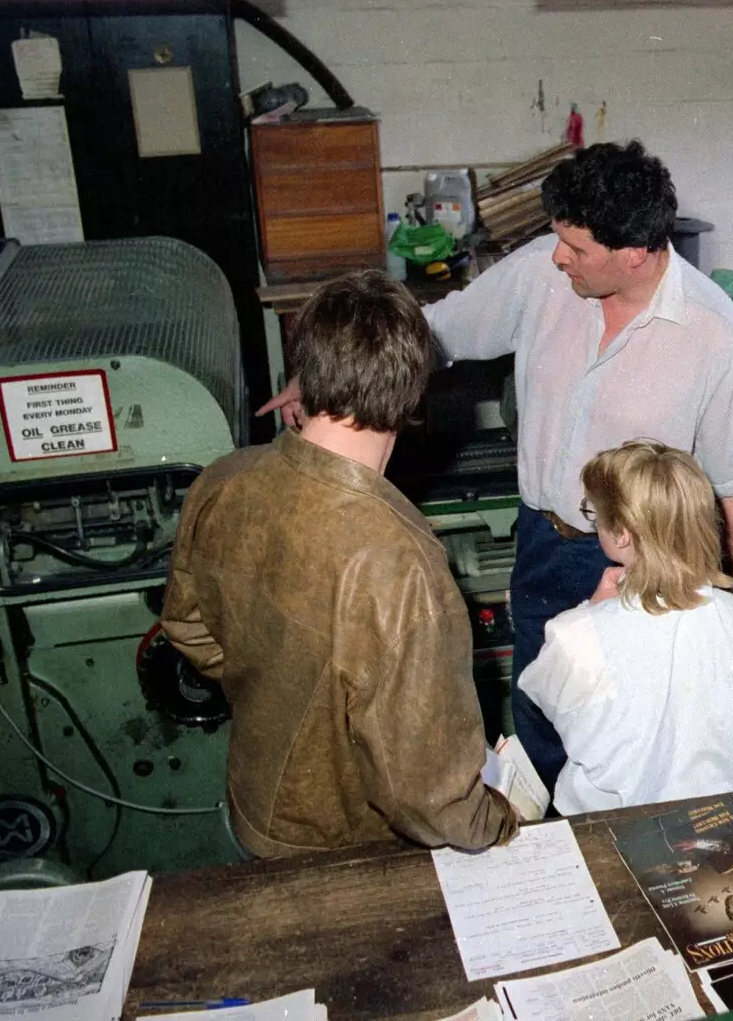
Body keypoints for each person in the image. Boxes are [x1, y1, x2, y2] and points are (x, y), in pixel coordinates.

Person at [259, 141, 733, 788]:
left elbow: (730, 484)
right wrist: (329, 382)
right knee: (537, 712)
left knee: (624, 740)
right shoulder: (540, 276)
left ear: (635, 252)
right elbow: (433, 331)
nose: (558, 258)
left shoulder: (713, 334)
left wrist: (719, 602)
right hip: (541, 542)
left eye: (576, 249)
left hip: (642, 565)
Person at [163, 271, 518, 858]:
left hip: (252, 803)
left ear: (305, 371)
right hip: (344, 845)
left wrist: (271, 686)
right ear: (412, 395)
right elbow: (425, 789)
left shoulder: (223, 480)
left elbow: (188, 624)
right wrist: (498, 821)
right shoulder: (400, 560)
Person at [517, 441, 733, 815]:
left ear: (622, 533)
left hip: (602, 824)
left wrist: (590, 611)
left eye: (594, 512)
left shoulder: (577, 634)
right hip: (712, 818)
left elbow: (543, 704)